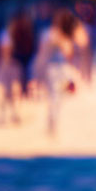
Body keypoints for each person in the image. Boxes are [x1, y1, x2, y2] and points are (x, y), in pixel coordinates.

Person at [32, 7, 79, 136]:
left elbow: (42, 54)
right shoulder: (65, 36)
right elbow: (70, 55)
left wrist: (38, 70)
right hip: (62, 69)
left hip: (52, 69)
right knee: (58, 97)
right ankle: (54, 120)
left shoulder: (48, 34)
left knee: (53, 95)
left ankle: (52, 119)